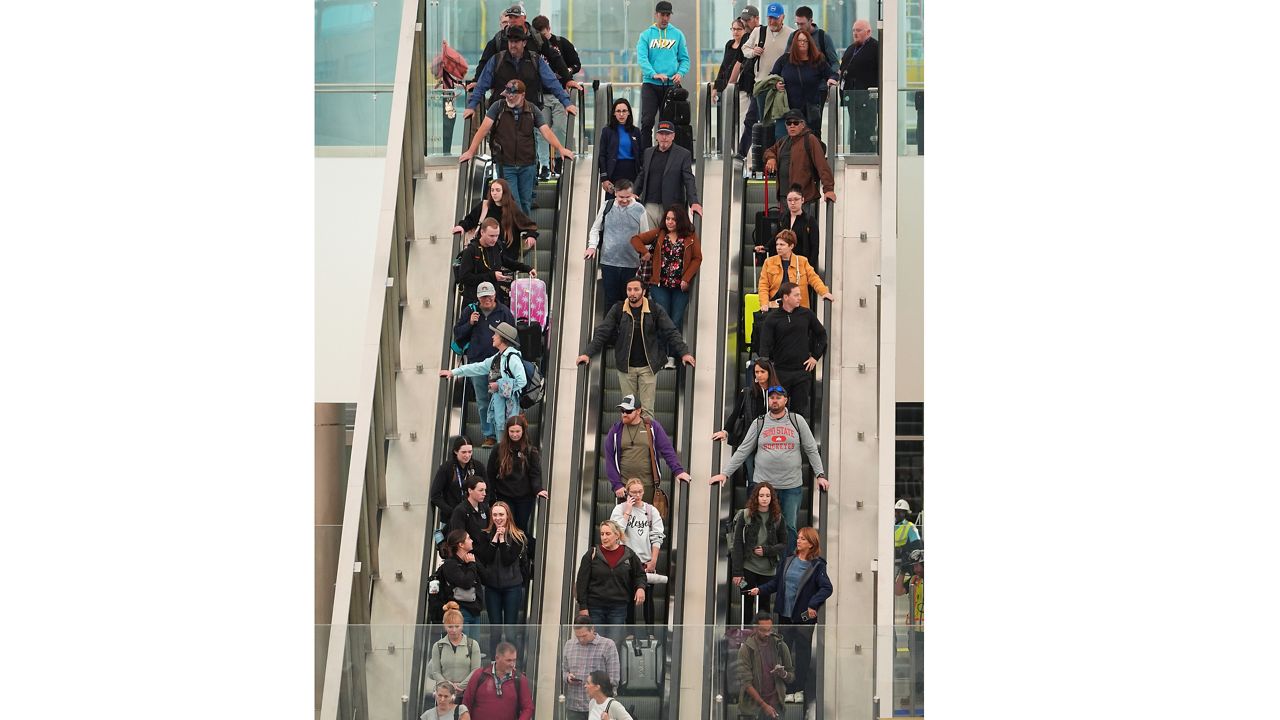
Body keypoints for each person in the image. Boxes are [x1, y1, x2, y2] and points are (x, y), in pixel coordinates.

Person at [709, 384, 828, 551]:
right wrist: (725, 474)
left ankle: (785, 566)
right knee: (761, 527)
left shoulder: (797, 420)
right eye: (772, 397)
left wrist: (820, 474)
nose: (774, 400)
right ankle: (763, 568)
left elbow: (811, 449)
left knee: (789, 528)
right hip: (764, 487)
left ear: (785, 400)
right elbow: (743, 450)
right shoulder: (760, 422)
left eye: (778, 397)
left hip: (790, 486)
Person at [459, 78, 574, 216]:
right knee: (514, 201)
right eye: (508, 95)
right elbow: (483, 129)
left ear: (523, 95)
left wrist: (560, 148)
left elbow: (546, 132)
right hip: (506, 164)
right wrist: (471, 151)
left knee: (526, 202)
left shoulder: (532, 110)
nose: (510, 98)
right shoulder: (498, 107)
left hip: (527, 164)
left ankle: (525, 233)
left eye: (513, 96)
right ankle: (520, 232)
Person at [577, 278, 695, 412]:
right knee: (628, 410)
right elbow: (602, 332)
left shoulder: (654, 309)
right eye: (629, 290)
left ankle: (646, 433)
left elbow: (671, 331)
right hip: (626, 368)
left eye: (636, 289)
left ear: (644, 292)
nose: (632, 293)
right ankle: (630, 434)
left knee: (647, 411)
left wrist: (684, 353)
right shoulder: (618, 309)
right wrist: (587, 353)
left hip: (648, 367)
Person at [749, 527, 831, 704]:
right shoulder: (787, 561)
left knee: (802, 654)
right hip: (785, 615)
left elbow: (826, 588)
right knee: (784, 654)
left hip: (803, 618)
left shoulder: (817, 565)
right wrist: (760, 590)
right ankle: (786, 689)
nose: (798, 541)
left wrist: (813, 604)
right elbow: (776, 583)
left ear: (811, 544)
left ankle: (800, 689)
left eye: (802, 539)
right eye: (799, 538)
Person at [466, 20, 578, 122]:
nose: (513, 45)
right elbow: (482, 85)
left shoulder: (535, 60)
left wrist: (567, 103)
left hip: (528, 116)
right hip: (502, 117)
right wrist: (471, 107)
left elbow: (552, 82)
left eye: (516, 41)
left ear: (524, 43)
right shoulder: (496, 60)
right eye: (510, 41)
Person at [451, 283, 517, 447]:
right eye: (483, 297)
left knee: (502, 399)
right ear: (478, 298)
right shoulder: (470, 310)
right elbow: (458, 333)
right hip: (477, 362)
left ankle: (503, 436)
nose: (487, 299)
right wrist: (470, 324)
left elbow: (513, 338)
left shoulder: (504, 312)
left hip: (500, 364)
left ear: (495, 295)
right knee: (482, 401)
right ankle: (489, 435)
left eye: (489, 296)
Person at [439, 321, 528, 438]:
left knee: (508, 438)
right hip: (500, 405)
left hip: (510, 407)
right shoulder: (499, 357)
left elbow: (522, 381)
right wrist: (453, 372)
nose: (493, 336)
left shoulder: (512, 358)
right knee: (502, 437)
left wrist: (499, 385)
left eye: (496, 334)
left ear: (503, 339)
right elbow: (478, 367)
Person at [603, 395, 692, 505]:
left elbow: (667, 450)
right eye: (622, 410)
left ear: (638, 411)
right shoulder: (616, 430)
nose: (624, 414)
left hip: (647, 486)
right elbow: (609, 460)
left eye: (629, 411)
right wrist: (617, 485)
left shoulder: (652, 427)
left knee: (647, 520)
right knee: (625, 520)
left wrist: (678, 471)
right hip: (625, 487)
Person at [470, 5, 575, 99]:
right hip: (503, 95)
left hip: (530, 94)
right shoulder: (499, 38)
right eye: (510, 17)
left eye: (516, 17)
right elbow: (485, 61)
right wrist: (476, 80)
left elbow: (555, 57)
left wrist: (567, 79)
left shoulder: (536, 37)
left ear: (524, 18)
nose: (512, 20)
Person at [756, 283, 827, 418]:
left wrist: (815, 357)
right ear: (786, 297)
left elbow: (822, 335)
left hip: (802, 372)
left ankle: (797, 438)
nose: (800, 298)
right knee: (777, 411)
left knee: (799, 412)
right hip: (780, 373)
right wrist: (766, 371)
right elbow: (764, 346)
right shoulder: (772, 318)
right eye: (796, 295)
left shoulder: (807, 314)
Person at [574, 520, 647, 649]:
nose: (604, 537)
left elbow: (640, 575)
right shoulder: (592, 553)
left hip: (618, 608)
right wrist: (583, 607)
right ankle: (596, 670)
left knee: (613, 644)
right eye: (602, 534)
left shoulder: (629, 554)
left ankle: (611, 669)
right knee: (595, 645)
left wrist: (640, 588)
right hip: (595, 607)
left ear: (617, 535)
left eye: (608, 534)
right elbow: (581, 582)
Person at [631, 204, 702, 329]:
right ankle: (661, 348)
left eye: (673, 219)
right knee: (663, 319)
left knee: (676, 320)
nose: (670, 222)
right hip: (660, 285)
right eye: (667, 219)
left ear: (680, 221)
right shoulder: (660, 233)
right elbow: (635, 239)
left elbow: (697, 258)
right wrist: (645, 252)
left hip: (680, 286)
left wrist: (686, 278)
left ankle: (675, 348)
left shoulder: (690, 236)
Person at [733, 3, 793, 151]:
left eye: (775, 18)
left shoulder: (791, 33)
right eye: (770, 18)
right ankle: (742, 153)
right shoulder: (759, 32)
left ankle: (777, 154)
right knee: (751, 120)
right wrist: (754, 51)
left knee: (779, 122)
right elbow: (744, 49)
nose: (772, 22)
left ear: (783, 17)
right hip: (761, 84)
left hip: (781, 87)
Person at [712, 358, 781, 483]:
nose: (759, 375)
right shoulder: (747, 393)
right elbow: (735, 413)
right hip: (750, 441)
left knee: (770, 481)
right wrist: (725, 431)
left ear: (769, 373)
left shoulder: (778, 394)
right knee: (752, 478)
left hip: (772, 442)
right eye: (756, 372)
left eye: (762, 372)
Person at [475, 500, 531, 654]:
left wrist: (502, 540)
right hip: (492, 587)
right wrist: (494, 540)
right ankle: (494, 661)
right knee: (495, 630)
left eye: (501, 514)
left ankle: (512, 662)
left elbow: (507, 559)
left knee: (511, 630)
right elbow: (486, 557)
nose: (498, 518)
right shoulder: (484, 535)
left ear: (508, 516)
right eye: (494, 515)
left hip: (512, 587)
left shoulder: (517, 536)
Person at [585, 179, 653, 307]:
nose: (625, 200)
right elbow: (595, 228)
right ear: (615, 193)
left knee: (630, 301)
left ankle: (628, 327)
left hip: (631, 264)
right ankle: (610, 327)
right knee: (610, 301)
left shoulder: (639, 209)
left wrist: (645, 252)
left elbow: (645, 235)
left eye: (628, 197)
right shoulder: (607, 206)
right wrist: (592, 247)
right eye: (621, 197)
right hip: (609, 263)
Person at [609, 478, 666, 624]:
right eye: (634, 492)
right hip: (625, 561)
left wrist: (653, 560)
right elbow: (616, 533)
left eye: (640, 491)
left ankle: (650, 634)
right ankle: (629, 634)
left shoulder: (650, 510)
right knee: (628, 599)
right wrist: (627, 512)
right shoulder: (620, 509)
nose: (637, 495)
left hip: (645, 561)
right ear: (627, 492)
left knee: (648, 599)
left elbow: (657, 536)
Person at [531, 14, 581, 179]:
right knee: (541, 130)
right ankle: (544, 164)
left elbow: (576, 64)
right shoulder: (533, 46)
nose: (542, 38)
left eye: (544, 34)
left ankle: (559, 160)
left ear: (549, 29)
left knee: (559, 127)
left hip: (558, 93)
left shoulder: (561, 43)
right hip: (541, 95)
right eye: (538, 34)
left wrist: (566, 74)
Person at [635, 1, 690, 148]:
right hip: (651, 85)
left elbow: (684, 59)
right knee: (647, 121)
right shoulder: (646, 35)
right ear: (656, 15)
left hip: (670, 87)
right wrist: (653, 74)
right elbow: (642, 59)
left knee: (667, 124)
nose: (665, 18)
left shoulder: (677, 34)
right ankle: (645, 157)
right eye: (662, 15)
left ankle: (667, 157)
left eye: (667, 15)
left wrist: (680, 73)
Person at [728, 481, 787, 615]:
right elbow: (736, 544)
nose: (764, 498)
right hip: (748, 566)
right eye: (761, 495)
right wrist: (737, 572)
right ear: (756, 497)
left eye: (767, 495)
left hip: (768, 569)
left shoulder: (778, 518)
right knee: (747, 605)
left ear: (772, 498)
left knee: (765, 606)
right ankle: (747, 634)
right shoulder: (745, 515)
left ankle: (763, 635)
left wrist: (767, 551)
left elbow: (784, 543)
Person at [769, 29, 837, 140]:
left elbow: (832, 74)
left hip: (810, 111)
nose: (802, 43)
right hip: (788, 110)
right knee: (785, 142)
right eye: (799, 41)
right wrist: (776, 84)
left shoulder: (818, 60)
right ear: (794, 43)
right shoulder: (785, 60)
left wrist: (831, 80)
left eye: (805, 41)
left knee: (810, 142)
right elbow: (772, 77)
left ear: (810, 43)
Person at [763, 110, 836, 213]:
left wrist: (828, 189)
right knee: (786, 228)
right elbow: (769, 151)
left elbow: (822, 165)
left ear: (803, 125)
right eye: (789, 123)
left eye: (796, 123)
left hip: (801, 197)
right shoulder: (783, 141)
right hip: (784, 196)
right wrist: (771, 158)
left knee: (800, 227)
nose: (792, 126)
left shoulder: (810, 140)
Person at [633, 121, 702, 228]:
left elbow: (689, 179)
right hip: (649, 205)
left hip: (671, 207)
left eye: (668, 134)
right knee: (648, 239)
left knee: (668, 241)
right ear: (656, 136)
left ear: (673, 136)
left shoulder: (683, 154)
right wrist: (634, 192)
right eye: (661, 134)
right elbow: (643, 175)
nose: (664, 137)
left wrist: (694, 202)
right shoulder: (648, 152)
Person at [486, 415, 547, 534]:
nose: (515, 434)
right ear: (507, 431)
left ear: (523, 431)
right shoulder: (498, 449)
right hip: (504, 495)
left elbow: (535, 473)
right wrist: (491, 495)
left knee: (520, 527)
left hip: (525, 497)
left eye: (518, 431)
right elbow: (490, 473)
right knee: (507, 526)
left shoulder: (530, 451)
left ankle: (521, 551)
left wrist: (538, 489)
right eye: (512, 431)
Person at [453, 179, 538, 262]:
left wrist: (531, 235)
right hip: (484, 252)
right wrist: (462, 226)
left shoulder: (512, 209)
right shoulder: (485, 206)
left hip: (505, 255)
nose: (494, 193)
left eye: (497, 190)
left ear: (504, 192)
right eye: (492, 190)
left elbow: (528, 225)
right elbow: (471, 219)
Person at [455, 219, 535, 307]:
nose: (494, 239)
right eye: (491, 236)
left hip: (493, 299)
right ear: (482, 232)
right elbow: (465, 278)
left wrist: (527, 268)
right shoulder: (471, 251)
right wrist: (492, 276)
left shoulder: (497, 246)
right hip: (474, 300)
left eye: (496, 235)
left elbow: (507, 261)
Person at [735, 611, 794, 719]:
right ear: (755, 628)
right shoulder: (746, 649)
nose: (767, 634)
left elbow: (791, 676)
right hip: (752, 708)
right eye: (763, 630)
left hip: (776, 705)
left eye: (769, 630)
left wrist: (783, 673)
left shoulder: (780, 645)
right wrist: (764, 705)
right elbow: (746, 683)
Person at [756, 229, 833, 311]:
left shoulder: (802, 261)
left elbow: (814, 279)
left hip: (798, 307)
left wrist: (824, 292)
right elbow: (763, 285)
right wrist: (764, 303)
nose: (778, 247)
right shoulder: (769, 262)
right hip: (776, 306)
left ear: (791, 246)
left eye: (782, 245)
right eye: (777, 244)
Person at [561, 617, 621, 720]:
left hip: (599, 706)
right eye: (577, 636)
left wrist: (606, 703)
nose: (581, 639)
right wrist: (567, 677)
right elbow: (563, 670)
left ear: (592, 629)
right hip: (574, 706)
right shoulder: (569, 645)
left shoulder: (607, 645)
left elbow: (614, 678)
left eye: (584, 635)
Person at [461, 642, 533, 720]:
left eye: (514, 660)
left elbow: (528, 708)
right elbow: (466, 704)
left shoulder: (520, 679)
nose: (512, 664)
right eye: (508, 660)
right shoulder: (479, 675)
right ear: (497, 658)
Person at [839, 18, 880, 153]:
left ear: (868, 32)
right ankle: (855, 154)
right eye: (853, 30)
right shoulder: (851, 48)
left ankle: (865, 156)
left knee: (865, 130)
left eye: (858, 30)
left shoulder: (876, 48)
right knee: (854, 129)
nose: (855, 33)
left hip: (868, 99)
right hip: (852, 98)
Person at [427, 605, 483, 701]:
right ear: (444, 625)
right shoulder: (438, 646)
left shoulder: (473, 645)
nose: (454, 630)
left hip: (467, 694)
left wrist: (461, 686)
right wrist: (448, 686)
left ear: (462, 624)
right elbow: (436, 672)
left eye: (457, 626)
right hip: (444, 695)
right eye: (450, 626)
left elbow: (476, 670)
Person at [730, 5, 763, 159]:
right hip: (745, 84)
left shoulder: (764, 34)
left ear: (757, 19)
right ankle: (745, 153)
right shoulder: (745, 37)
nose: (746, 24)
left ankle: (759, 153)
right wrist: (731, 84)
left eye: (748, 20)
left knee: (761, 121)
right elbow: (738, 62)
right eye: (744, 21)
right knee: (746, 120)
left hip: (760, 84)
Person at [431, 436, 486, 522]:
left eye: (470, 452)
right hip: (451, 517)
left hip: (474, 516)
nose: (467, 455)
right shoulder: (446, 468)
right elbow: (435, 495)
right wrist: (452, 512)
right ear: (456, 451)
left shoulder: (478, 467)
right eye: (463, 452)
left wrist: (481, 508)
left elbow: (487, 490)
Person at [596, 99, 644, 198]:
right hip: (614, 171)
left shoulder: (636, 131)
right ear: (614, 113)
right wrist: (604, 178)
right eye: (618, 111)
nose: (621, 114)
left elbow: (641, 154)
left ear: (629, 113)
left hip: (632, 172)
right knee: (613, 205)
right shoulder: (607, 131)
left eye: (624, 111)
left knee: (630, 203)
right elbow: (602, 155)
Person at [759, 185, 819, 262]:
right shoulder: (783, 218)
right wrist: (765, 247)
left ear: (802, 200)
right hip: (783, 261)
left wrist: (810, 268)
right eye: (789, 200)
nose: (792, 203)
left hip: (801, 263)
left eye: (796, 199)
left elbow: (815, 247)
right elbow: (776, 236)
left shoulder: (810, 221)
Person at [438, 529, 485, 626]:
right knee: (462, 641)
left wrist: (474, 562)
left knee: (474, 641)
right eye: (468, 538)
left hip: (475, 610)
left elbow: (486, 576)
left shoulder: (471, 557)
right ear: (461, 545)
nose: (472, 541)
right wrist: (471, 565)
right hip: (461, 611)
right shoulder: (450, 564)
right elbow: (466, 583)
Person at [431, 40, 468, 155]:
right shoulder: (448, 66)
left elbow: (435, 73)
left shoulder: (444, 64)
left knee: (447, 124)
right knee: (448, 124)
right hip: (448, 100)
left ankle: (446, 151)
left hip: (448, 100)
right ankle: (446, 151)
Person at [786, 6, 838, 77]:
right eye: (797, 24)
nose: (799, 27)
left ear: (810, 21)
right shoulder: (793, 36)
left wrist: (832, 77)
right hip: (798, 82)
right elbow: (786, 60)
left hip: (820, 84)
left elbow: (834, 62)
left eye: (802, 24)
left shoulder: (823, 37)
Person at [711, 17, 747, 106]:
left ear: (745, 30)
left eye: (739, 29)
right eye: (733, 29)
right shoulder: (729, 44)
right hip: (725, 85)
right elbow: (723, 66)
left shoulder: (746, 46)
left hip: (739, 87)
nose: (735, 32)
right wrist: (716, 87)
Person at [448, 476, 491, 551]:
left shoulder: (485, 508)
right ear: (470, 490)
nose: (484, 493)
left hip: (484, 551)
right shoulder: (460, 510)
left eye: (485, 490)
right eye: (481, 490)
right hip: (470, 554)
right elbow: (458, 537)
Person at [893, 498, 923, 572]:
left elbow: (917, 547)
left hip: (902, 564)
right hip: (889, 560)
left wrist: (904, 550)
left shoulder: (910, 527)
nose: (897, 514)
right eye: (896, 511)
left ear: (906, 514)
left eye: (901, 512)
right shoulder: (888, 524)